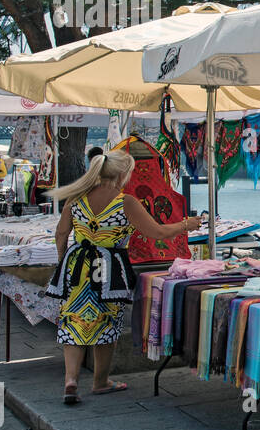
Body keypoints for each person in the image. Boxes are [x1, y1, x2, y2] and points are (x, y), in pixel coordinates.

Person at [45, 151, 201, 404]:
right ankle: (100, 382)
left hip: (76, 267)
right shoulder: (125, 201)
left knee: (73, 322)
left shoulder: (75, 198)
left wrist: (64, 260)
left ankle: (70, 381)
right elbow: (157, 232)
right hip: (108, 269)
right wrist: (186, 224)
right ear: (121, 174)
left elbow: (61, 233)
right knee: (106, 324)